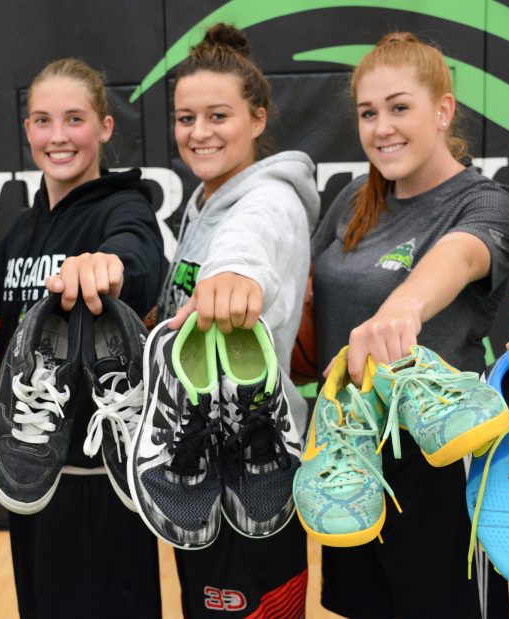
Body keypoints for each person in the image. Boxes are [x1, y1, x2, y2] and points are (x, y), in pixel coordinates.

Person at [310, 33, 509, 618]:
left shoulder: (486, 201)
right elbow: (309, 300)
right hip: (349, 452)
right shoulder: (355, 197)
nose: (383, 127)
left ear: (443, 109)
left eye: (400, 107)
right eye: (368, 113)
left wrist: (403, 306)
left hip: (438, 459)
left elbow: (456, 258)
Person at [0, 58, 166, 617]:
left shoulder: (124, 207)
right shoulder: (23, 229)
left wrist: (111, 266)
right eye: (42, 121)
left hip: (99, 479)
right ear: (27, 130)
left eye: (74, 119)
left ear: (104, 127)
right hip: (28, 468)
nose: (57, 137)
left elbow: (140, 257)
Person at [157, 23, 319, 619]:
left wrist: (233, 276)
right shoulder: (201, 205)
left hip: (255, 465)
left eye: (218, 116)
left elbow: (249, 245)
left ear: (257, 118)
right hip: (202, 463)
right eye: (185, 118)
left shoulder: (269, 198)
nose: (198, 133)